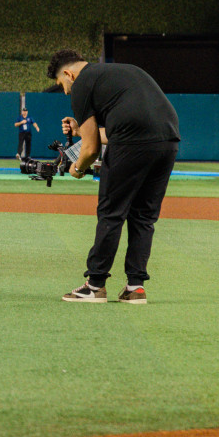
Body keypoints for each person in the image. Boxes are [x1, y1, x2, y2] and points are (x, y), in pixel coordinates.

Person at [49, 49, 180, 305]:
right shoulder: (122, 71)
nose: (65, 91)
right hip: (168, 141)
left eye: (61, 84)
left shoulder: (81, 84)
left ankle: (95, 285)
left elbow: (91, 150)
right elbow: (125, 128)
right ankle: (135, 288)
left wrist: (77, 168)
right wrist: (81, 130)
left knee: (111, 213)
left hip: (133, 144)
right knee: (143, 216)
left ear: (68, 74)